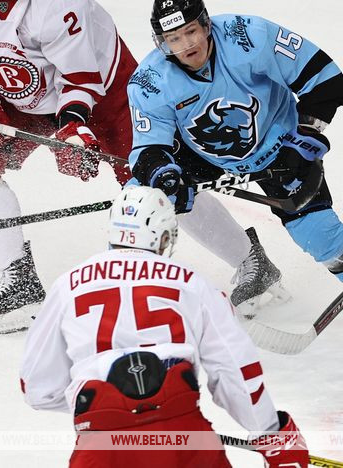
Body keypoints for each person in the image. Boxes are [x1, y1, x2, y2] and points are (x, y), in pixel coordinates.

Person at [0, 0, 282, 336]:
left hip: (108, 90)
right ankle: (17, 282)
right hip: (20, 96)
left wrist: (74, 128)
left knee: (157, 177)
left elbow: (80, 78)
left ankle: (251, 261)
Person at [127, 0, 343, 321]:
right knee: (140, 199)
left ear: (206, 24)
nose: (187, 45)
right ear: (162, 42)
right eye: (174, 39)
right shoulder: (150, 82)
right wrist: (165, 176)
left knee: (317, 232)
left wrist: (304, 143)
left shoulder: (248, 36)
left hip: (281, 145)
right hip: (206, 157)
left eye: (191, 31)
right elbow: (148, 149)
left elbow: (326, 80)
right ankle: (131, 300)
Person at [20, 186, 308, 467]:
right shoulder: (192, 283)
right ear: (165, 235)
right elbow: (237, 371)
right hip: (184, 437)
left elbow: (37, 388)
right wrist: (272, 434)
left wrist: (110, 410)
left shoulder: (67, 286)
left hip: (102, 445)